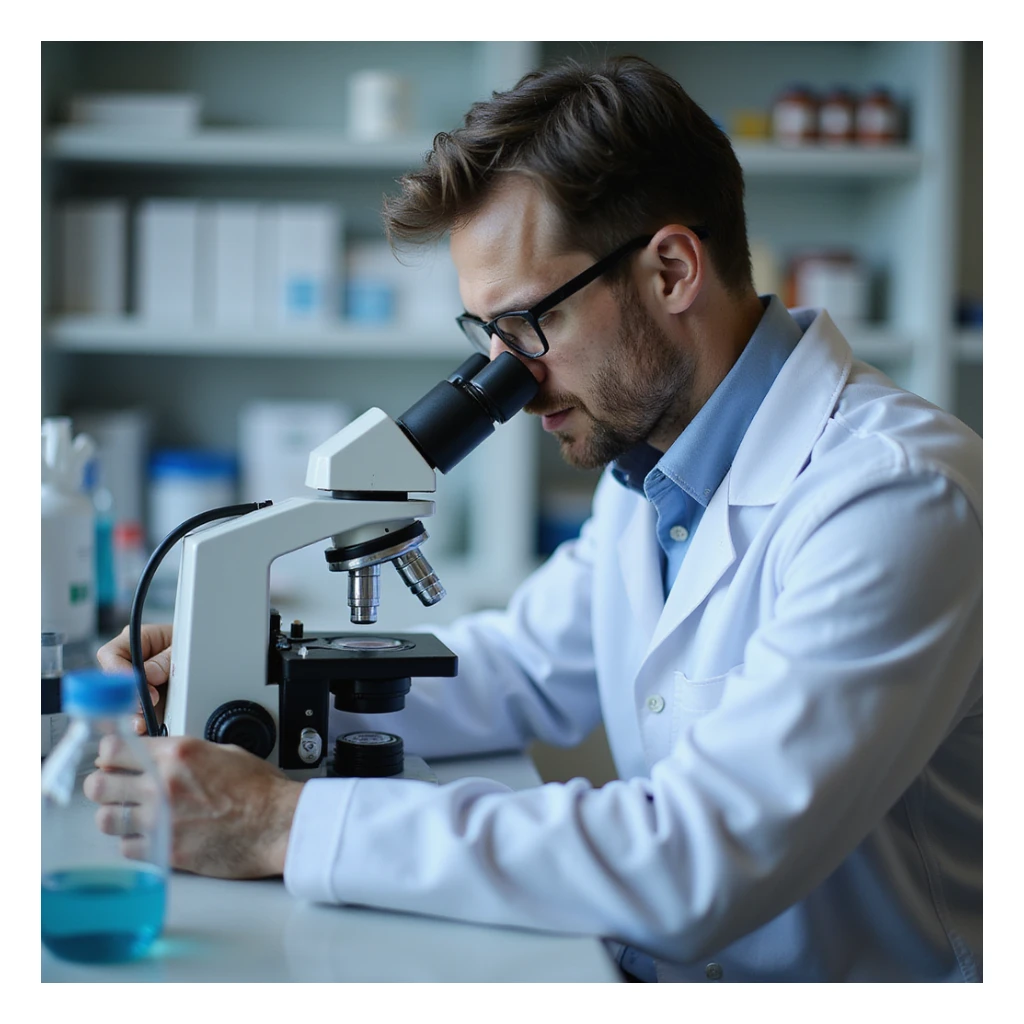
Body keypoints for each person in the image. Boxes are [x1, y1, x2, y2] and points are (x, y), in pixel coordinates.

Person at [93, 55, 982, 983]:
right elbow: (517, 670)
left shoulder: (897, 497)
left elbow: (700, 858)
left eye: (525, 328)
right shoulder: (654, 473)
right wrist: (263, 682)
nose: (510, 388)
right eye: (487, 342)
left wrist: (277, 821)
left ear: (672, 269)